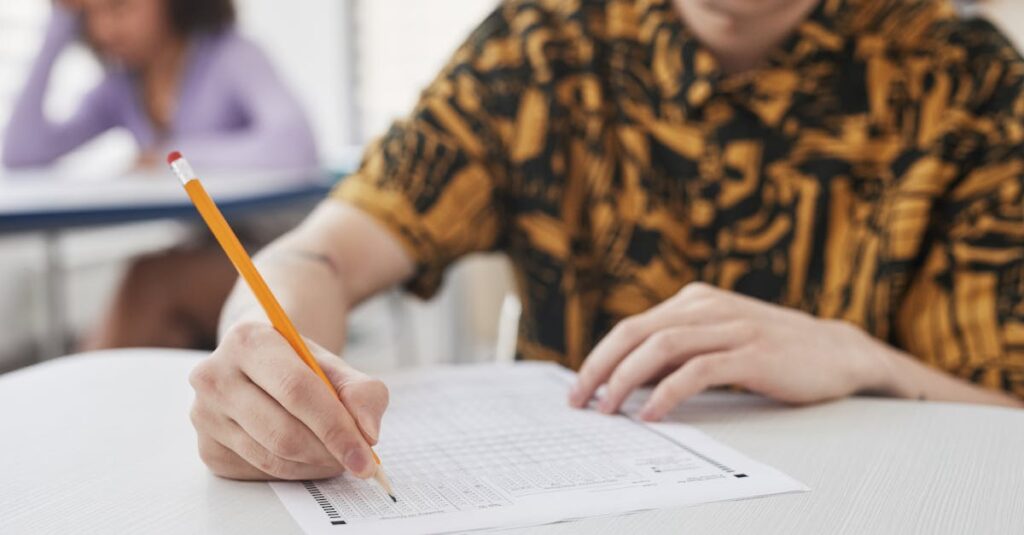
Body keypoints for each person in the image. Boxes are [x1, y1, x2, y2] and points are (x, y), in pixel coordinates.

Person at [187, 0, 1024, 482]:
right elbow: (322, 253)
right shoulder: (543, 43)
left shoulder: (962, 76)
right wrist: (262, 361)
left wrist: (861, 359)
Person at [1, 0, 319, 350]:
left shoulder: (232, 54)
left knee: (150, 281)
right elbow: (20, 154)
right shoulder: (121, 87)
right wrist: (58, 28)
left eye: (119, 7)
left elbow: (295, 146)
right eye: (90, 16)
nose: (106, 29)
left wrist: (170, 155)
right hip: (214, 252)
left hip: (290, 254)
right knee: (160, 336)